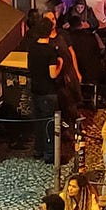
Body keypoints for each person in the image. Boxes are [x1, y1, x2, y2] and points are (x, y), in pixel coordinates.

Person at [25, 17, 63, 164]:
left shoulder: (32, 48)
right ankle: (50, 155)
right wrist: (60, 63)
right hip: (48, 91)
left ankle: (38, 150)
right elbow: (53, 74)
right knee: (50, 124)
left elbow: (29, 68)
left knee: (38, 122)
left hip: (35, 89)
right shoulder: (50, 51)